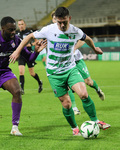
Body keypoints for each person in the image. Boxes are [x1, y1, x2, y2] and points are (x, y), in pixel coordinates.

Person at [10, 7, 110, 136]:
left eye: (64, 22)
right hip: (54, 73)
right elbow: (29, 36)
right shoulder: (48, 30)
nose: (62, 25)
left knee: (84, 94)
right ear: (56, 20)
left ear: (69, 18)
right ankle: (75, 129)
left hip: (70, 69)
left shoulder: (75, 31)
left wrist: (95, 49)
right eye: (59, 22)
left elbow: (88, 39)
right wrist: (17, 51)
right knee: (66, 104)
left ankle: (96, 121)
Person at [51, 12, 105, 115]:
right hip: (65, 64)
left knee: (89, 82)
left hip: (77, 59)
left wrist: (74, 48)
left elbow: (84, 40)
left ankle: (97, 89)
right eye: (54, 19)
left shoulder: (70, 30)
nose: (56, 21)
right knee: (68, 85)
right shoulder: (51, 33)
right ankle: (75, 108)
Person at [16, 19, 43, 95]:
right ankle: (22, 89)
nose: (20, 26)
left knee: (32, 73)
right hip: (21, 55)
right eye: (19, 24)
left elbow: (36, 41)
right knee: (21, 72)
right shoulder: (16, 34)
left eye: (22, 24)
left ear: (25, 25)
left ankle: (39, 82)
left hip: (29, 55)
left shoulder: (30, 32)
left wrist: (31, 45)